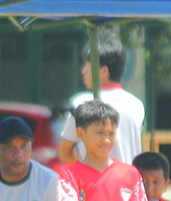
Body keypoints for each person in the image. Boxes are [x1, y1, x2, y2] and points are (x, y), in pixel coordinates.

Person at [58, 33, 145, 165]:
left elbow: (65, 154)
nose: (83, 71)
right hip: (129, 183)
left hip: (93, 183)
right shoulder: (137, 105)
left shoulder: (82, 104)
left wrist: (80, 159)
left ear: (104, 71)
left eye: (88, 65)